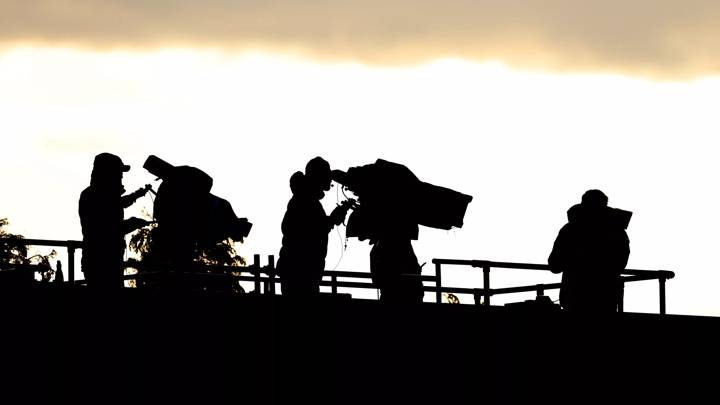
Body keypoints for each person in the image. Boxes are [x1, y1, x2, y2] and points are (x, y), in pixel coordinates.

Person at [277, 157, 352, 297]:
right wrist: (332, 219)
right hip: (300, 272)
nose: (330, 180)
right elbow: (310, 231)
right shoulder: (305, 200)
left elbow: (313, 227)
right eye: (326, 175)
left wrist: (331, 219)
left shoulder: (304, 198)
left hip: (299, 271)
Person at [548, 189, 631, 313]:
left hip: (575, 295)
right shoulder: (616, 231)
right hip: (606, 295)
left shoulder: (570, 230)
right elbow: (621, 263)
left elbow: (555, 265)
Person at [79, 153, 152, 289]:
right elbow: (107, 229)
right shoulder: (97, 197)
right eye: (118, 175)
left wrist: (138, 194)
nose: (120, 178)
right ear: (107, 175)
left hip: (105, 261)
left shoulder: (94, 195)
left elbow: (119, 203)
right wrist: (132, 223)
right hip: (102, 262)